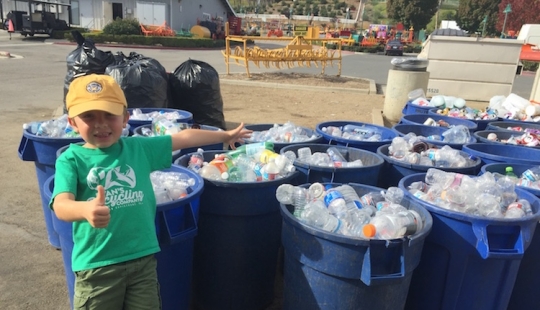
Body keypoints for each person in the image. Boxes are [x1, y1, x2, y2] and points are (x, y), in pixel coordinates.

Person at [50, 74, 252, 309]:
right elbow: (60, 204)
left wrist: (224, 135)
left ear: (125, 118)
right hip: (97, 268)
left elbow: (183, 138)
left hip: (142, 263)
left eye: (109, 115)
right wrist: (84, 209)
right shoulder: (71, 159)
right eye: (88, 116)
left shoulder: (139, 149)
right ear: (72, 122)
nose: (101, 124)